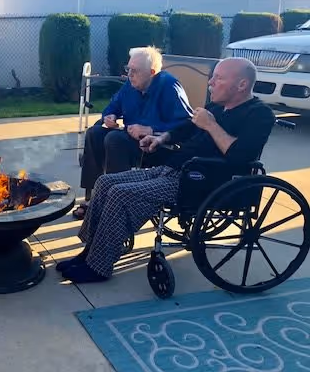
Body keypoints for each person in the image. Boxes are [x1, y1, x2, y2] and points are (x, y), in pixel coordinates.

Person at [59, 57, 275, 283]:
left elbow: (241, 157)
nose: (210, 82)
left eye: (218, 78)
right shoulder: (216, 107)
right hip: (175, 168)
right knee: (106, 183)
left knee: (120, 193)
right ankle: (89, 252)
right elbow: (184, 129)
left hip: (202, 181)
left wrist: (211, 125)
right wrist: (160, 139)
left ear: (241, 85)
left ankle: (98, 267)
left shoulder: (259, 114)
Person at [75, 46, 193, 219]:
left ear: (152, 72)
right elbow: (112, 107)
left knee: (114, 139)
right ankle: (93, 198)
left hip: (156, 146)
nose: (130, 74)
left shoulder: (169, 86)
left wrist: (153, 130)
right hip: (130, 139)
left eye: (135, 71)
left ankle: (114, 203)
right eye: (128, 69)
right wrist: (111, 116)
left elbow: (186, 124)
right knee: (95, 133)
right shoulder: (130, 86)